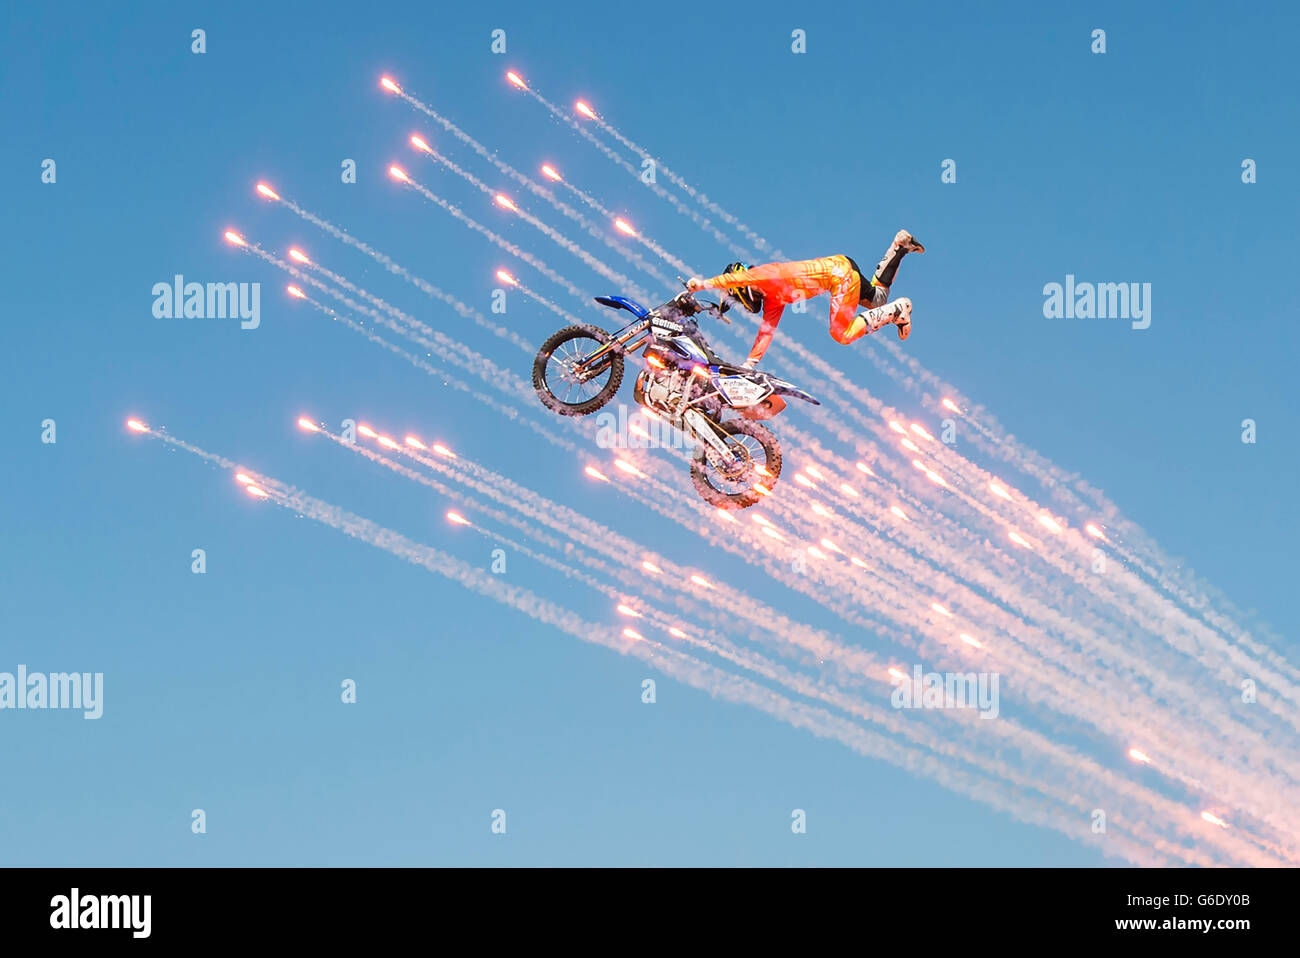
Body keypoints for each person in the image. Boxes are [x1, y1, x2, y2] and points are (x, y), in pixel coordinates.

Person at [686, 230, 924, 368]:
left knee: (840, 333)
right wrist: (749, 365)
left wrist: (702, 284)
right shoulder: (773, 300)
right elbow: (766, 333)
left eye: (736, 299)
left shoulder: (763, 277)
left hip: (839, 278)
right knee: (877, 300)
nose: (743, 306)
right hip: (841, 264)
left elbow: (735, 279)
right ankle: (899, 247)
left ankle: (898, 310)